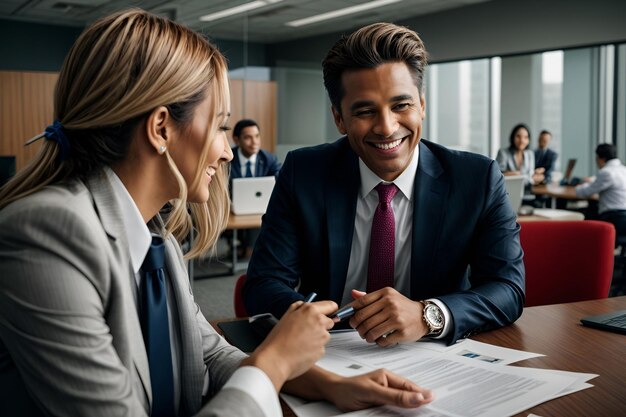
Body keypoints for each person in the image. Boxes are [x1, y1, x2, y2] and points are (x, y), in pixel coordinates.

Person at [0, 10, 434, 416]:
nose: (227, 150)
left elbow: (207, 352)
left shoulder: (156, 237)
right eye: (221, 126)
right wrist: (276, 360)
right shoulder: (47, 234)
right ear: (161, 128)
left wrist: (327, 386)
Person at [243, 22, 525, 347]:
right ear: (339, 119)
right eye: (365, 111)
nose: (387, 127)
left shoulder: (477, 179)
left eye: (401, 105)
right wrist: (307, 318)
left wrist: (427, 314)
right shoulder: (304, 173)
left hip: (434, 355)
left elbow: (508, 289)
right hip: (330, 353)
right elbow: (264, 282)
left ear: (422, 105)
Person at [228, 119, 281, 258]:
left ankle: (250, 249)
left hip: (258, 210)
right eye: (248, 137)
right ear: (236, 140)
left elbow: (279, 183)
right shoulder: (227, 159)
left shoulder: (269, 159)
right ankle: (242, 247)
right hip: (230, 210)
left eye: (257, 136)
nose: (254, 141)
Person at [576, 143, 626, 236]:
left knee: (585, 215)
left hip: (613, 217)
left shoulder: (606, 172)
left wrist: (578, 187)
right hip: (622, 217)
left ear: (601, 158)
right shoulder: (623, 170)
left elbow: (584, 192)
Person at [496, 123, 545, 189]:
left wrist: (514, 175)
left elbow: (531, 175)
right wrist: (531, 179)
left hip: (527, 192)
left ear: (528, 140)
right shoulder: (503, 153)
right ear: (513, 137)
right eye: (518, 136)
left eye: (525, 137)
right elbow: (498, 176)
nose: (522, 140)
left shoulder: (530, 154)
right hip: (507, 191)